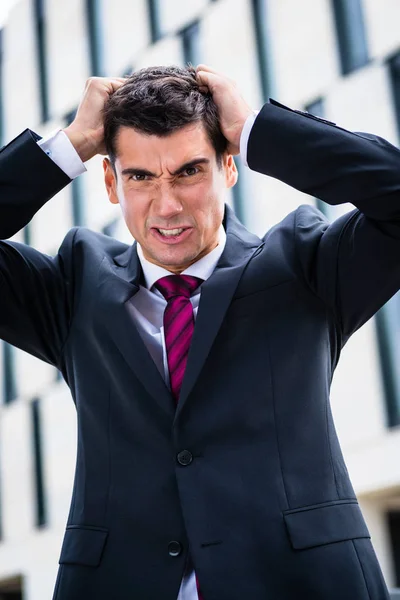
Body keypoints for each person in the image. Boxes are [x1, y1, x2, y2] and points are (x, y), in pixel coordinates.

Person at [0, 63, 397, 600]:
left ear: (228, 167)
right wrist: (70, 146)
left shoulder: (305, 266)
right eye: (140, 176)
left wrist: (258, 129)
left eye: (189, 171)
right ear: (112, 182)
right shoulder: (73, 286)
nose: (168, 207)